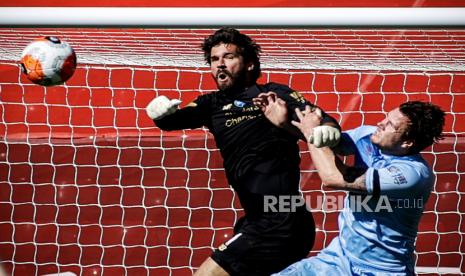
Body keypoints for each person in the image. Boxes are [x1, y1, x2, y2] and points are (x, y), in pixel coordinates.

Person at [145, 27, 341, 275]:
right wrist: (159, 114)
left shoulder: (272, 95)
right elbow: (172, 120)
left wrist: (328, 129)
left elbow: (319, 117)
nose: (220, 65)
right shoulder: (211, 104)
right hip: (259, 219)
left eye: (228, 57)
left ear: (249, 64)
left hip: (280, 220)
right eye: (215, 59)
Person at [255, 96, 445, 275]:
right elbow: (333, 142)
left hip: (382, 270)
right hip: (339, 259)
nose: (380, 123)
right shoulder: (368, 136)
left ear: (408, 143)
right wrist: (285, 122)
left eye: (390, 125)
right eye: (386, 117)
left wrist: (311, 132)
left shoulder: (411, 175)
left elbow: (332, 177)